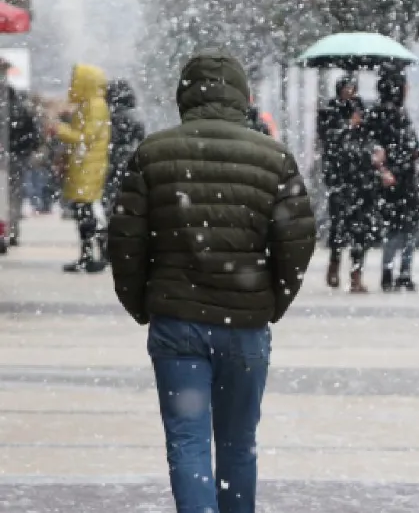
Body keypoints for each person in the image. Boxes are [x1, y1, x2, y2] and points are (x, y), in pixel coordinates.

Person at [108, 49, 316, 513]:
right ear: (243, 98)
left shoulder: (152, 154)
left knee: (188, 444)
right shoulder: (274, 157)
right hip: (245, 326)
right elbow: (297, 240)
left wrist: (143, 301)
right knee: (239, 444)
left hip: (177, 323)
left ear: (184, 96)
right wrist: (272, 299)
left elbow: (125, 240)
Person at [368, 70, 419, 292]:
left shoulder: (392, 113)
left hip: (402, 183)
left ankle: (398, 273)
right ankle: (396, 273)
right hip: (399, 183)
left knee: (403, 230)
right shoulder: (388, 115)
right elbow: (395, 147)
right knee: (401, 231)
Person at [321, 75, 383, 292]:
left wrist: (375, 153)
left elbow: (369, 139)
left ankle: (356, 274)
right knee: (339, 227)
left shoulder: (363, 110)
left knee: (361, 230)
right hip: (341, 179)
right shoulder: (329, 111)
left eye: (352, 88)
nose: (350, 92)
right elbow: (330, 142)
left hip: (363, 180)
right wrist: (348, 125)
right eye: (346, 88)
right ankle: (334, 263)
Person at [48, 63, 112, 272]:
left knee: (87, 211)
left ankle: (95, 255)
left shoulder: (94, 105)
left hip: (88, 167)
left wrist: (59, 129)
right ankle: (88, 255)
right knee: (82, 211)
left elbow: (86, 137)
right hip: (82, 166)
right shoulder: (88, 105)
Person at [6, 84, 41, 246]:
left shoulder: (6, 110)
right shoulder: (23, 109)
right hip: (18, 158)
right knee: (15, 196)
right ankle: (12, 229)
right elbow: (34, 135)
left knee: (6, 195)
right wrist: (27, 150)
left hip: (6, 157)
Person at [104, 79, 145, 212]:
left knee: (111, 193)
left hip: (111, 158)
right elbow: (141, 139)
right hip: (129, 158)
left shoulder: (109, 117)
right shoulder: (135, 117)